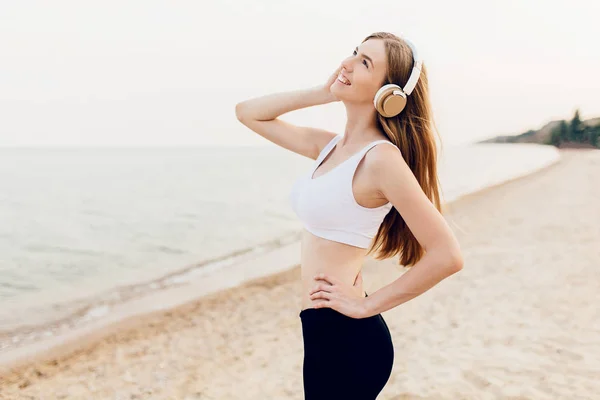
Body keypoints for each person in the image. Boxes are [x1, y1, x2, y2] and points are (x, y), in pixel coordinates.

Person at [235, 32, 463, 399]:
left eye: (365, 63)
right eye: (355, 53)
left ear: (389, 95)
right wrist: (324, 92)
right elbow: (247, 113)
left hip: (346, 337)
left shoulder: (381, 159)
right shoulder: (328, 147)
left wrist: (367, 305)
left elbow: (447, 255)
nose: (348, 62)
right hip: (323, 330)